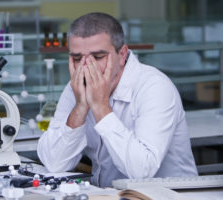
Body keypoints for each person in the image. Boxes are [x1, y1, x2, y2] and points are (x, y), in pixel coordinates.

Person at [37, 12, 197, 187]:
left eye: (98, 57)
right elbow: (54, 163)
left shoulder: (154, 87)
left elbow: (142, 171)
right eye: (77, 58)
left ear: (122, 55)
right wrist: (80, 106)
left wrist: (100, 107)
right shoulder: (76, 87)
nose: (86, 67)